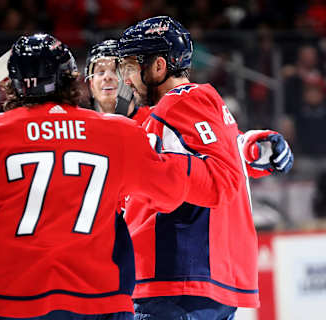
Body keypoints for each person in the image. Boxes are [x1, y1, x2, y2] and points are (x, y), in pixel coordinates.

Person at [0, 33, 218, 320]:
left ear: (13, 85)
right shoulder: (119, 133)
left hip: (15, 304)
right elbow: (172, 192)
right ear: (73, 79)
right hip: (103, 303)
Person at [117, 16, 294, 320]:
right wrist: (252, 147)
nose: (127, 79)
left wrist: (149, 172)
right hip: (188, 283)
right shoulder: (189, 104)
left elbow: (219, 178)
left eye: (132, 67)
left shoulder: (179, 103)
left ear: (159, 66)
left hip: (178, 281)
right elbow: (221, 155)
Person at [84, 39, 151, 123]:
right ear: (91, 84)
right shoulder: (83, 127)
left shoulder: (151, 120)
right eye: (100, 72)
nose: (107, 77)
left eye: (116, 71)